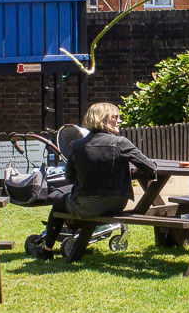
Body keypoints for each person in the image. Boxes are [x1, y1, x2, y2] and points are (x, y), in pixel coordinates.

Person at [45, 103, 156, 261]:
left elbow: (69, 178)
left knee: (57, 201)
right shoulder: (121, 143)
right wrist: (129, 174)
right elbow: (150, 168)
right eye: (115, 117)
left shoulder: (76, 146)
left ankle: (47, 248)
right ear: (102, 120)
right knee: (64, 201)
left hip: (86, 206)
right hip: (117, 204)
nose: (119, 121)